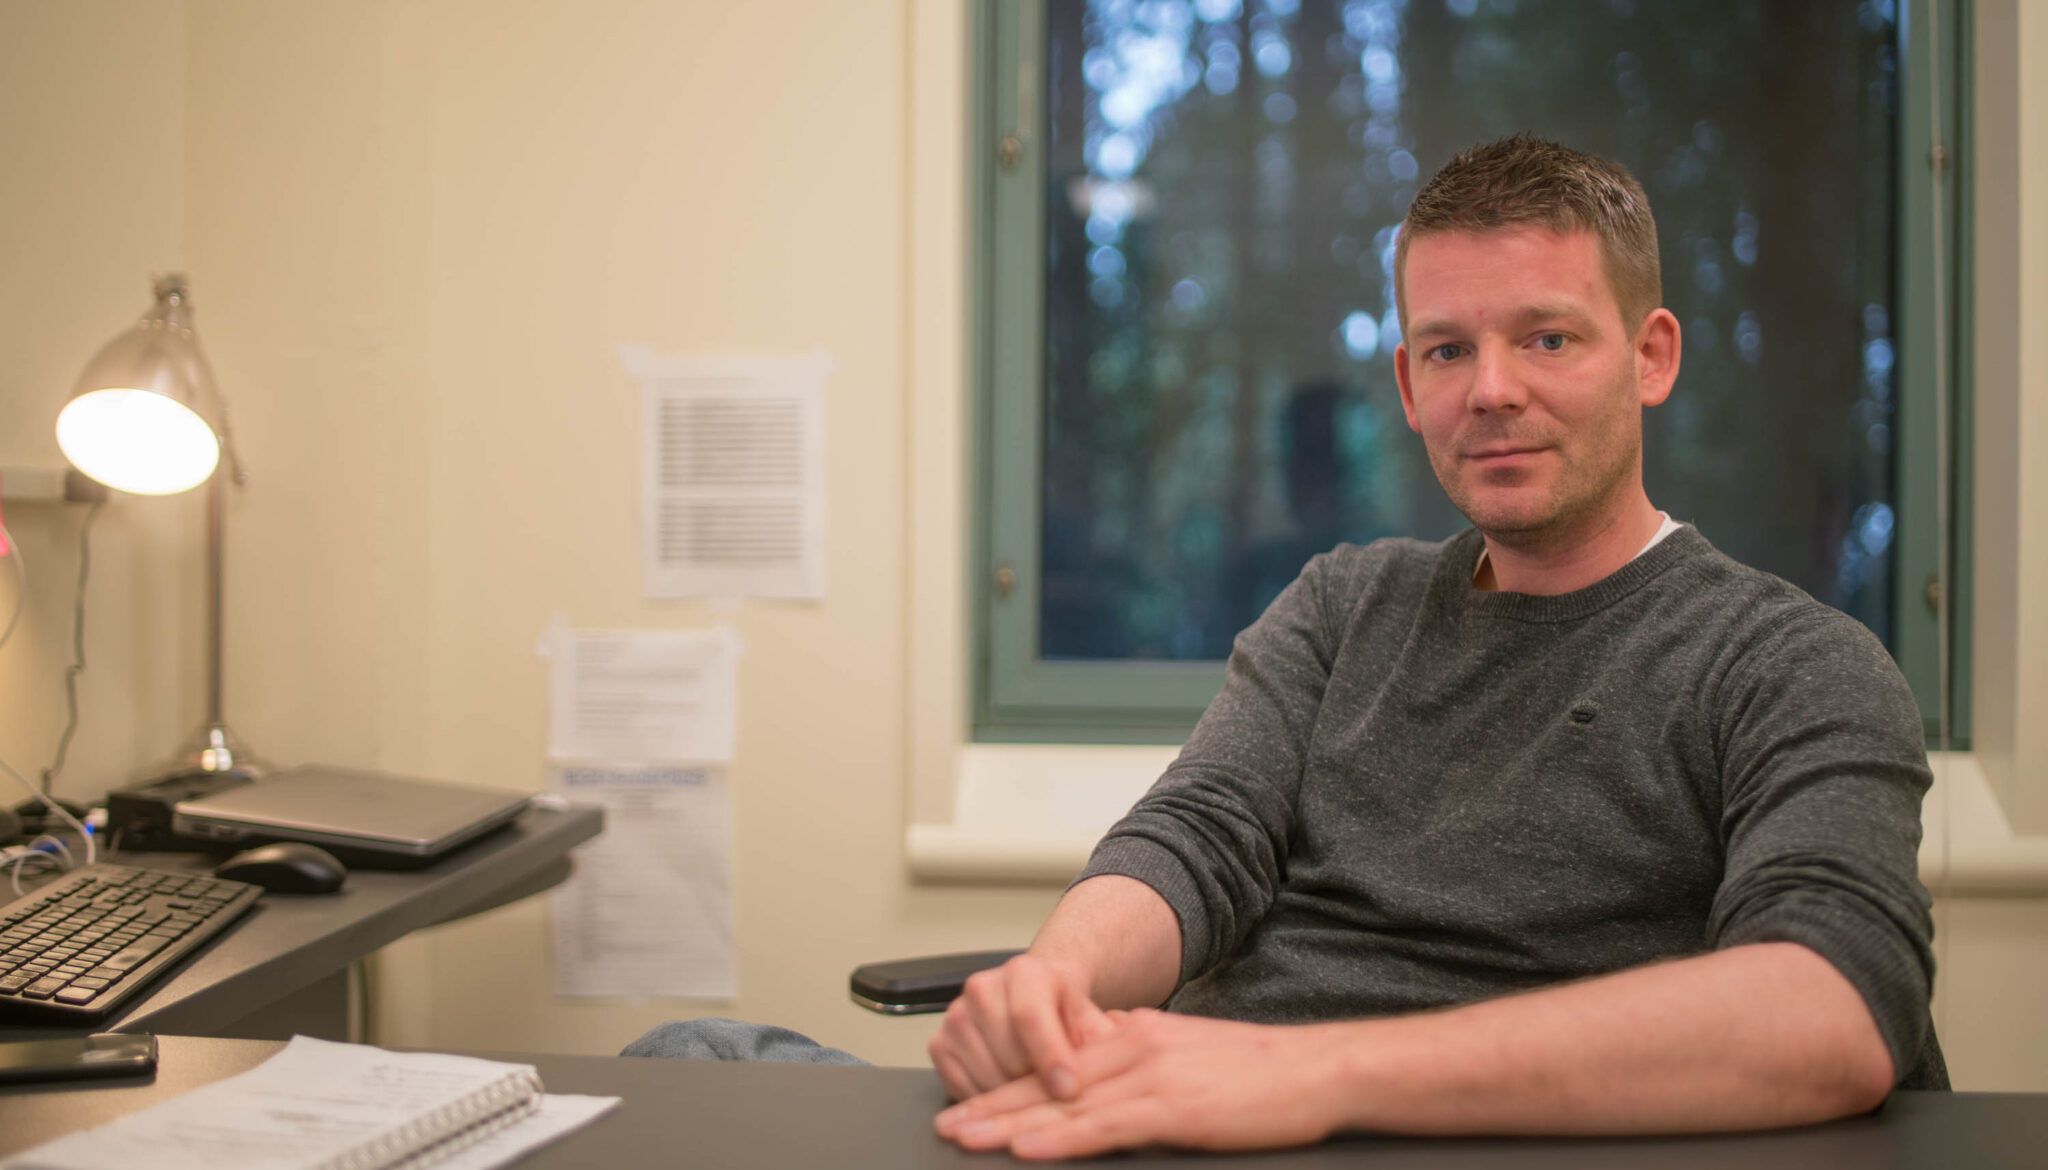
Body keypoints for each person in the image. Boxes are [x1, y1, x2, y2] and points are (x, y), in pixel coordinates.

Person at [925, 135, 1939, 1161]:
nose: (1489, 390)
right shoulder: (1340, 604)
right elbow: (1196, 840)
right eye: (1449, 350)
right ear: (1409, 387)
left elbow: (1832, 1008)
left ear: (1650, 356)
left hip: (1404, 1127)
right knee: (752, 1053)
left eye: (1546, 338)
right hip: (1175, 1123)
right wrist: (1052, 988)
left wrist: (1311, 1076)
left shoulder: (1788, 664)